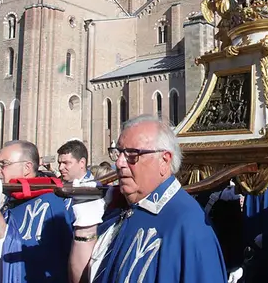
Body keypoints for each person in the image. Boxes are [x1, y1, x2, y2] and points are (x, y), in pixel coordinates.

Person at [69, 115, 227, 283]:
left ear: (164, 161)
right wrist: (85, 227)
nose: (120, 163)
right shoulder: (118, 209)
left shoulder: (189, 225)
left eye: (132, 154)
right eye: (119, 153)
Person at [0, 140, 73, 282]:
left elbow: (11, 251)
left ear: (27, 167)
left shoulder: (48, 202)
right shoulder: (13, 198)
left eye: (4, 164)